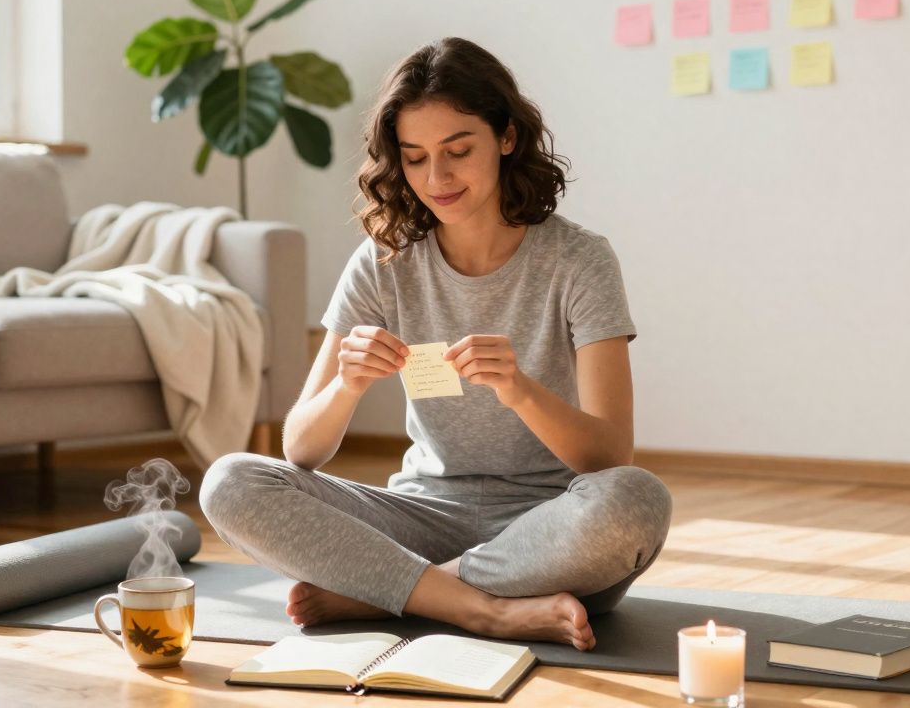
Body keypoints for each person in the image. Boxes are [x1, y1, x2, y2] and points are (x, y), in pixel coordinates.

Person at [199, 37, 672, 651]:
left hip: (544, 534)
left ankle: (394, 592)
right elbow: (301, 450)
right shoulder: (383, 260)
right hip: (416, 520)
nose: (437, 178)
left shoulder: (580, 260)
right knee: (230, 482)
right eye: (415, 158)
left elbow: (610, 457)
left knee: (636, 500)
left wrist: (520, 391)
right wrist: (347, 386)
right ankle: (483, 610)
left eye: (458, 151)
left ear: (506, 137)